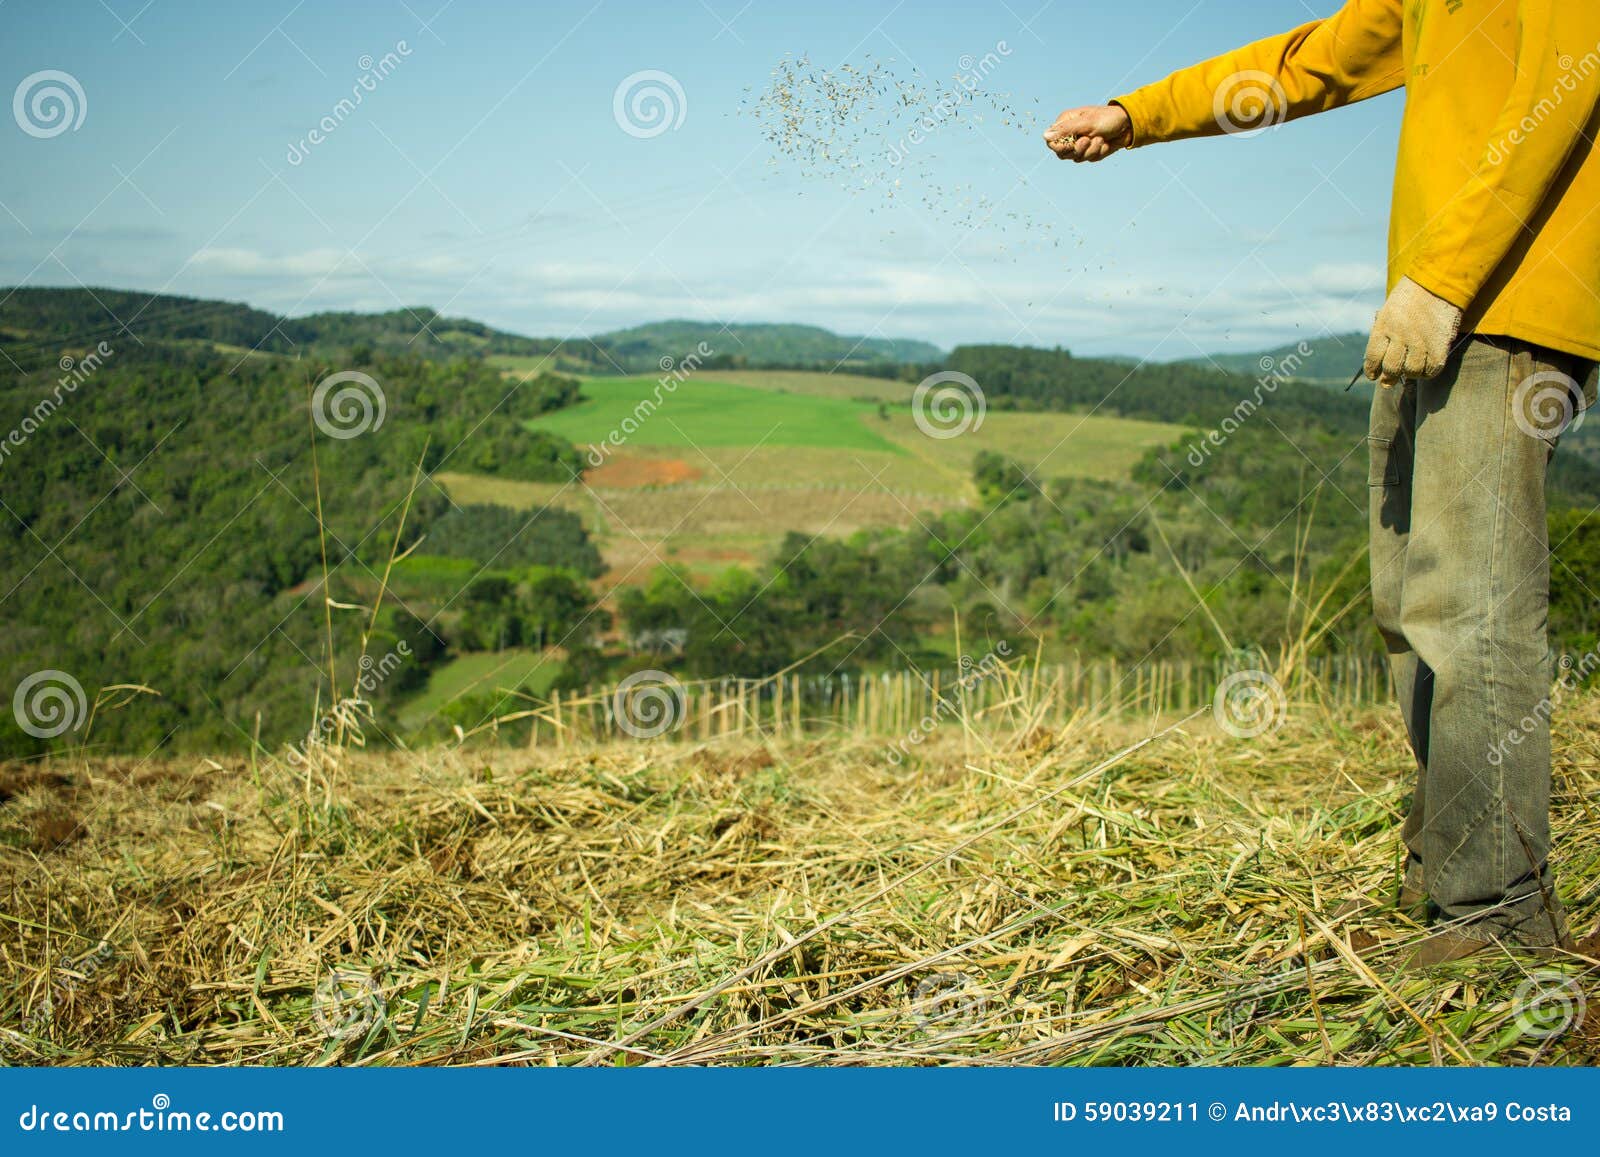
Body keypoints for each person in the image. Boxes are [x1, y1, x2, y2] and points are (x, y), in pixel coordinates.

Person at [1046, 0, 1599, 966]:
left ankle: (1498, 915)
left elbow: (1566, 94)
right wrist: (1136, 113)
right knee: (1408, 600)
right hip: (1433, 299)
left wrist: (1447, 279)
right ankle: (1450, 862)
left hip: (1501, 297)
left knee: (1473, 606)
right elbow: (1310, 62)